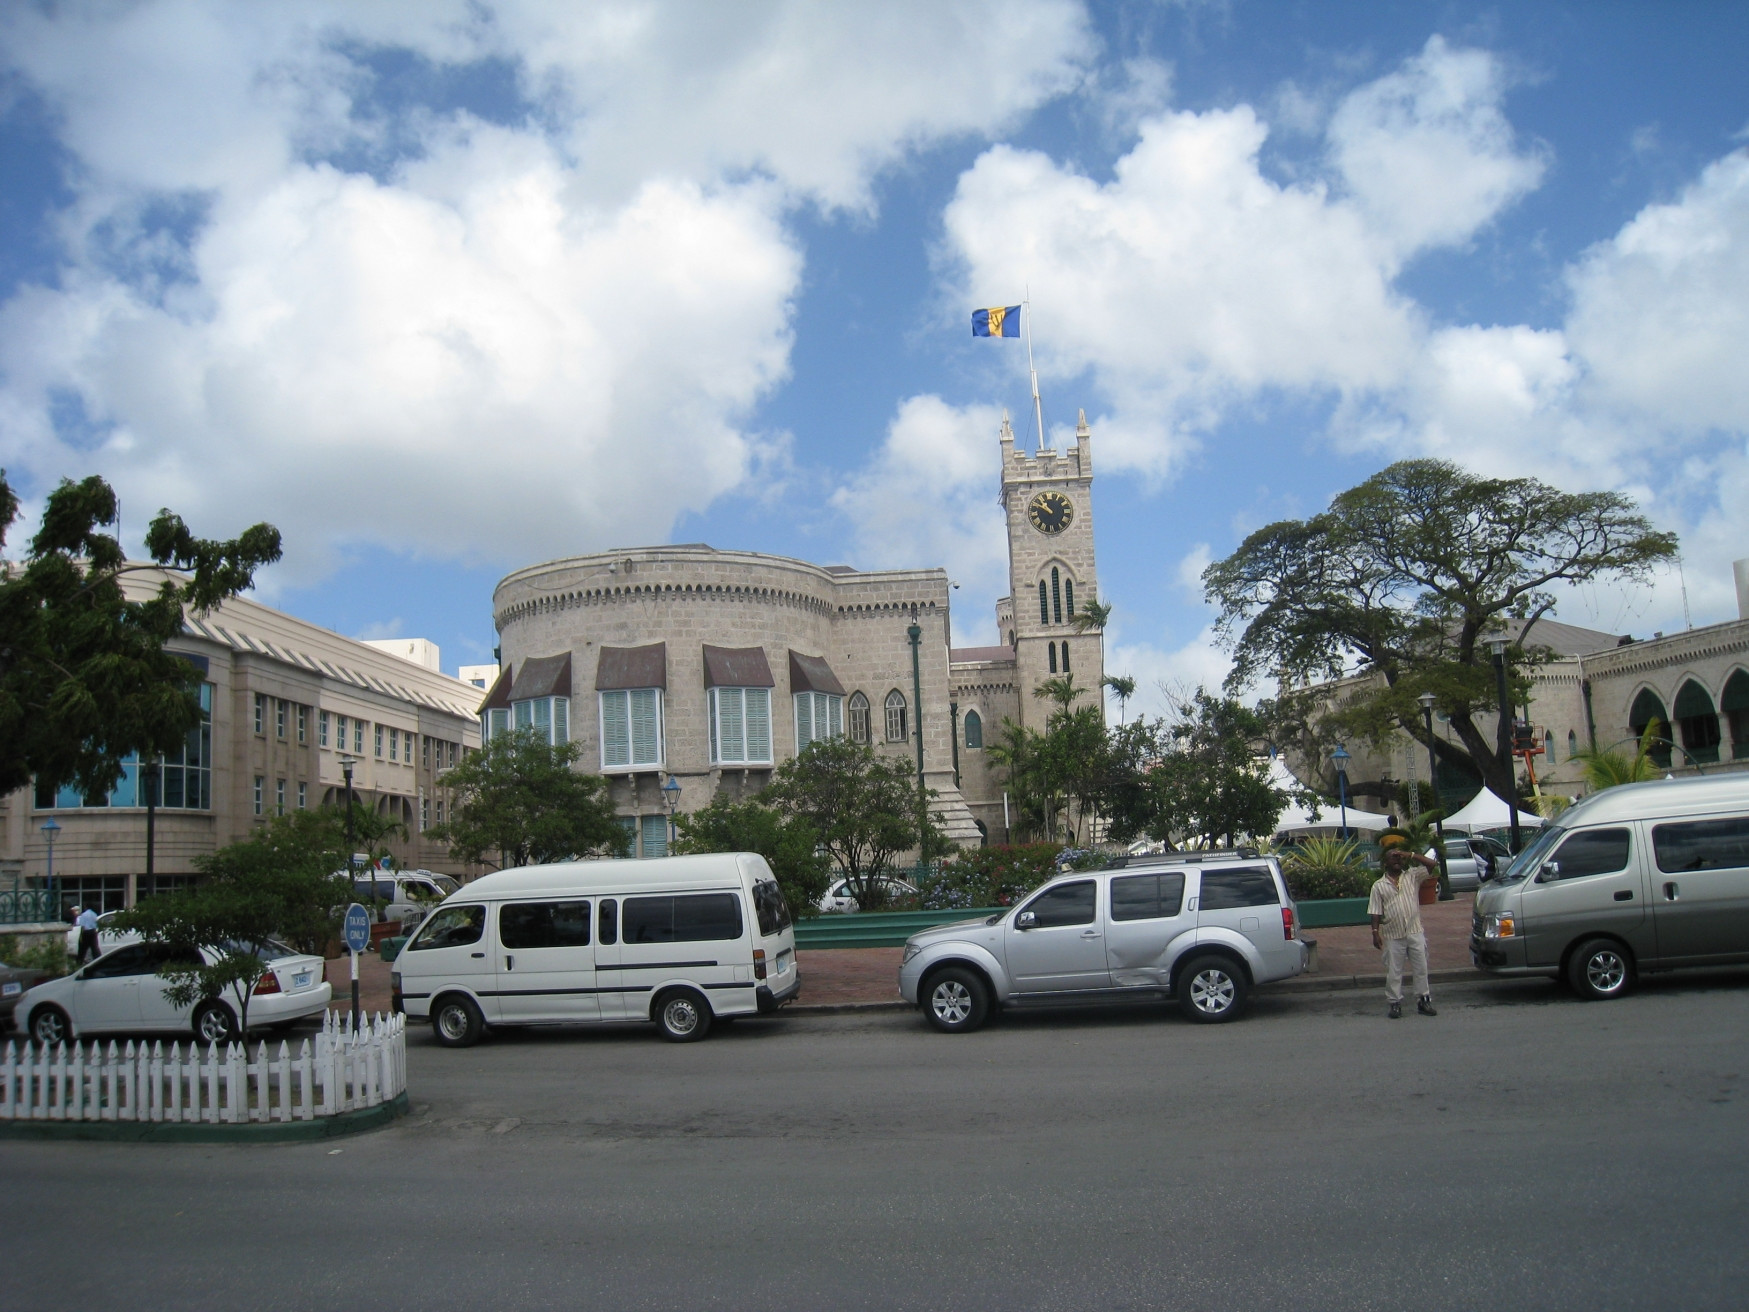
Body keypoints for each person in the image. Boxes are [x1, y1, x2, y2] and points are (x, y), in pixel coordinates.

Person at [1368, 846, 1440, 1019]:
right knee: (1394, 970)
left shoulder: (1412, 876)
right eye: (1393, 858)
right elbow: (1375, 911)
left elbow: (1432, 864)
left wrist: (1411, 854)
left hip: (1414, 931)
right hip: (1393, 934)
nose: (1397, 861)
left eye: (1399, 858)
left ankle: (1423, 1000)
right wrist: (1375, 932)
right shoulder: (1379, 886)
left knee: (1421, 967)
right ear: (1385, 862)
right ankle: (1394, 1003)